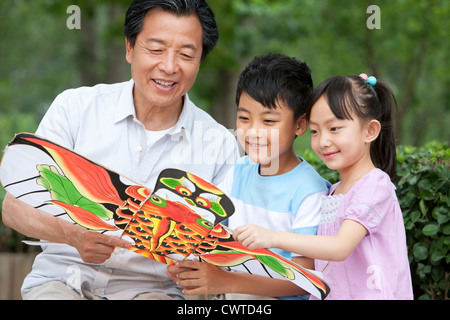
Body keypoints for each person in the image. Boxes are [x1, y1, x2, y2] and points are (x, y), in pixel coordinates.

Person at [1, 0, 239, 300]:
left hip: (154, 292)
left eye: (186, 54)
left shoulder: (219, 145)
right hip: (63, 281)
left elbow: (226, 248)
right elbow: (13, 206)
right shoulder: (75, 108)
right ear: (129, 48)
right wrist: (74, 235)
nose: (169, 66)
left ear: (200, 59)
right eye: (156, 49)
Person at [233, 74, 414, 299]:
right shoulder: (332, 191)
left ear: (370, 131)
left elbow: (340, 247)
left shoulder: (375, 184)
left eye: (334, 128)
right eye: (315, 131)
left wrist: (272, 237)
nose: (323, 141)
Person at [167, 53, 329, 299]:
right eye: (244, 118)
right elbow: (209, 235)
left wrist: (227, 282)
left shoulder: (310, 191)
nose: (253, 131)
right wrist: (188, 266)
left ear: (300, 124)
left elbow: (304, 280)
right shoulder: (238, 172)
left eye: (269, 121)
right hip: (230, 291)